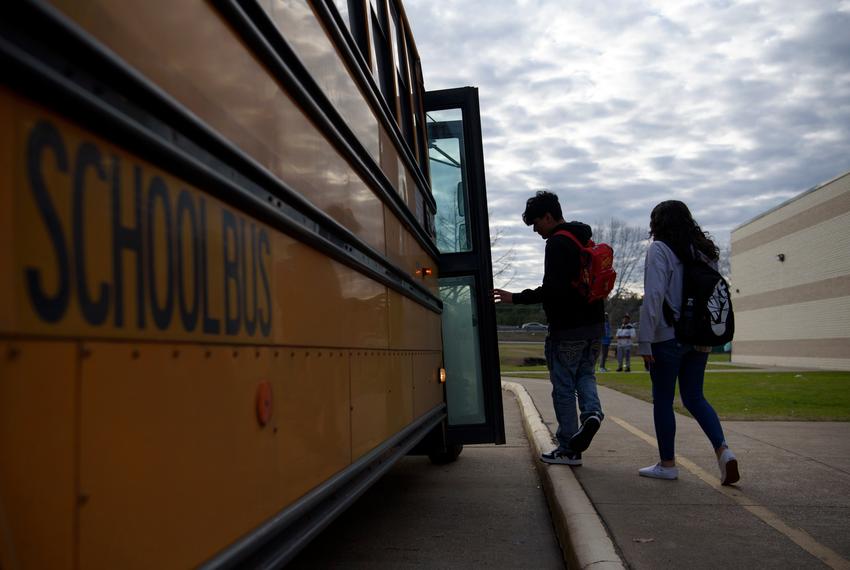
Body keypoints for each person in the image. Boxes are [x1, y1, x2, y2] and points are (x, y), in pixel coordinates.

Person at [493, 191, 604, 466]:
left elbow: (554, 290)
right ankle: (592, 413)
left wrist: (515, 297)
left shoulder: (556, 243)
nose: (536, 231)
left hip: (566, 328)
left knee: (564, 387)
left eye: (536, 223)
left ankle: (568, 447)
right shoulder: (584, 239)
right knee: (586, 375)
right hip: (594, 326)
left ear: (548, 216)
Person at [637, 200, 740, 485]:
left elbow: (654, 296)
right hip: (699, 337)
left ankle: (667, 463)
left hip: (667, 337)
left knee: (663, 400)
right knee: (695, 397)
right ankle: (724, 451)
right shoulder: (704, 253)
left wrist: (644, 340)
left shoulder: (659, 250)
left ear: (657, 223)